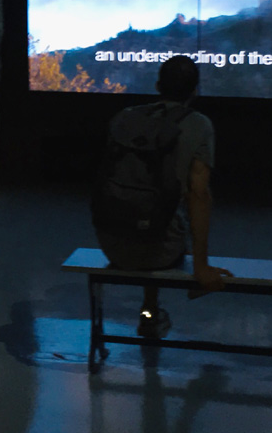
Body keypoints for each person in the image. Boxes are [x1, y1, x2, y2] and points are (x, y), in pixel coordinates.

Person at [96, 55, 232, 338]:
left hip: (112, 242)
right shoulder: (198, 125)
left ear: (158, 85)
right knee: (168, 217)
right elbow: (199, 196)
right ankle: (150, 312)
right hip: (158, 252)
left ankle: (149, 312)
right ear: (195, 90)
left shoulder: (125, 117)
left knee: (152, 210)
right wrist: (201, 267)